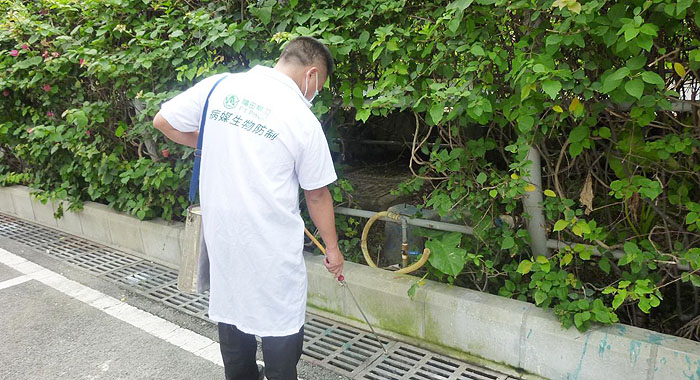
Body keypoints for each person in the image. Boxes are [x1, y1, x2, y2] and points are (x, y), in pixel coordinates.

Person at [152, 36, 344, 380]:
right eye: (320, 85)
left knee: (232, 309)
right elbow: (316, 195)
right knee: (280, 321)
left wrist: (211, 141)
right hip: (271, 248)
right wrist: (332, 249)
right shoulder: (301, 118)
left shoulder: (220, 86)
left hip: (224, 237)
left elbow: (163, 122)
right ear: (311, 75)